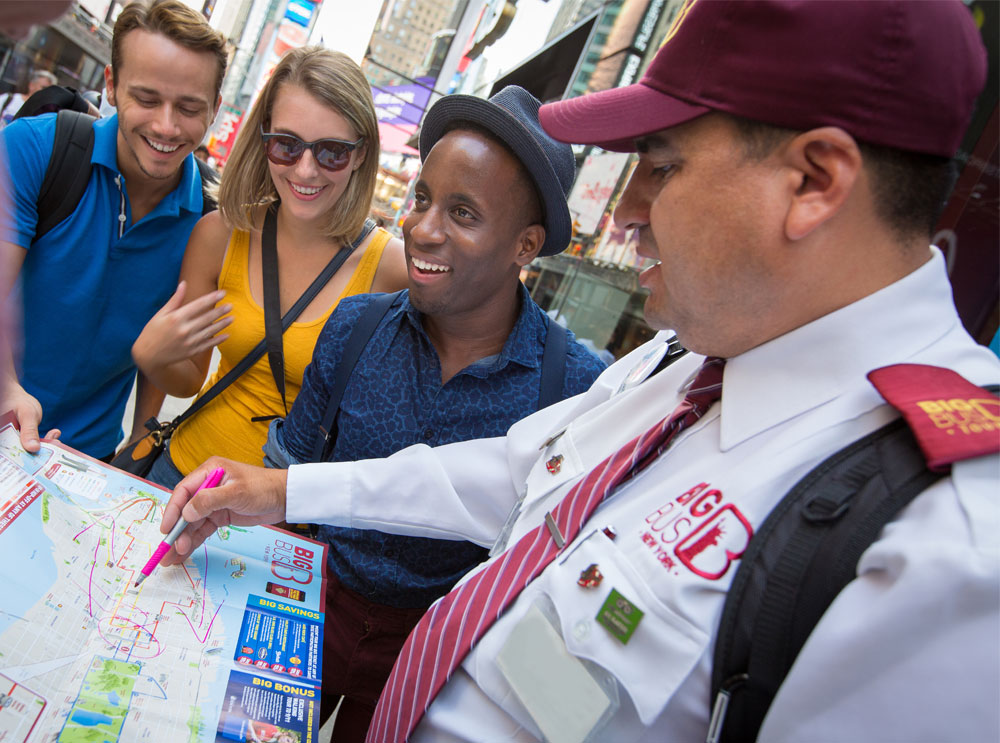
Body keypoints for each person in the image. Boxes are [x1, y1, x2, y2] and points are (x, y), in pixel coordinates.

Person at [162, 1, 999, 741]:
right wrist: (283, 492)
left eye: (663, 166)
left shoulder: (946, 546)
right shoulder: (680, 363)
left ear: (815, 181)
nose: (628, 212)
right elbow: (516, 473)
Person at [260, 85, 606, 740]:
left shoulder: (573, 390)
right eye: (422, 198)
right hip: (308, 609)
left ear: (525, 245)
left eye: (464, 212)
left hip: (432, 656)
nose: (421, 227)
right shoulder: (357, 325)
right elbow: (290, 467)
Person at [132, 46, 407, 489]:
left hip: (286, 517)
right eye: (286, 144)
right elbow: (188, 380)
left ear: (360, 154)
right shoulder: (220, 235)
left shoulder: (391, 269)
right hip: (183, 476)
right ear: (263, 141)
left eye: (331, 151)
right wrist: (152, 355)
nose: (306, 169)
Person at [0, 0, 226, 459]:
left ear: (216, 108)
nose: (166, 126)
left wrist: (142, 435)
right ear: (111, 85)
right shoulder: (35, 148)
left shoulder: (207, 221)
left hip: (89, 463)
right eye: (146, 99)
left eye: (188, 108)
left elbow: (172, 344)